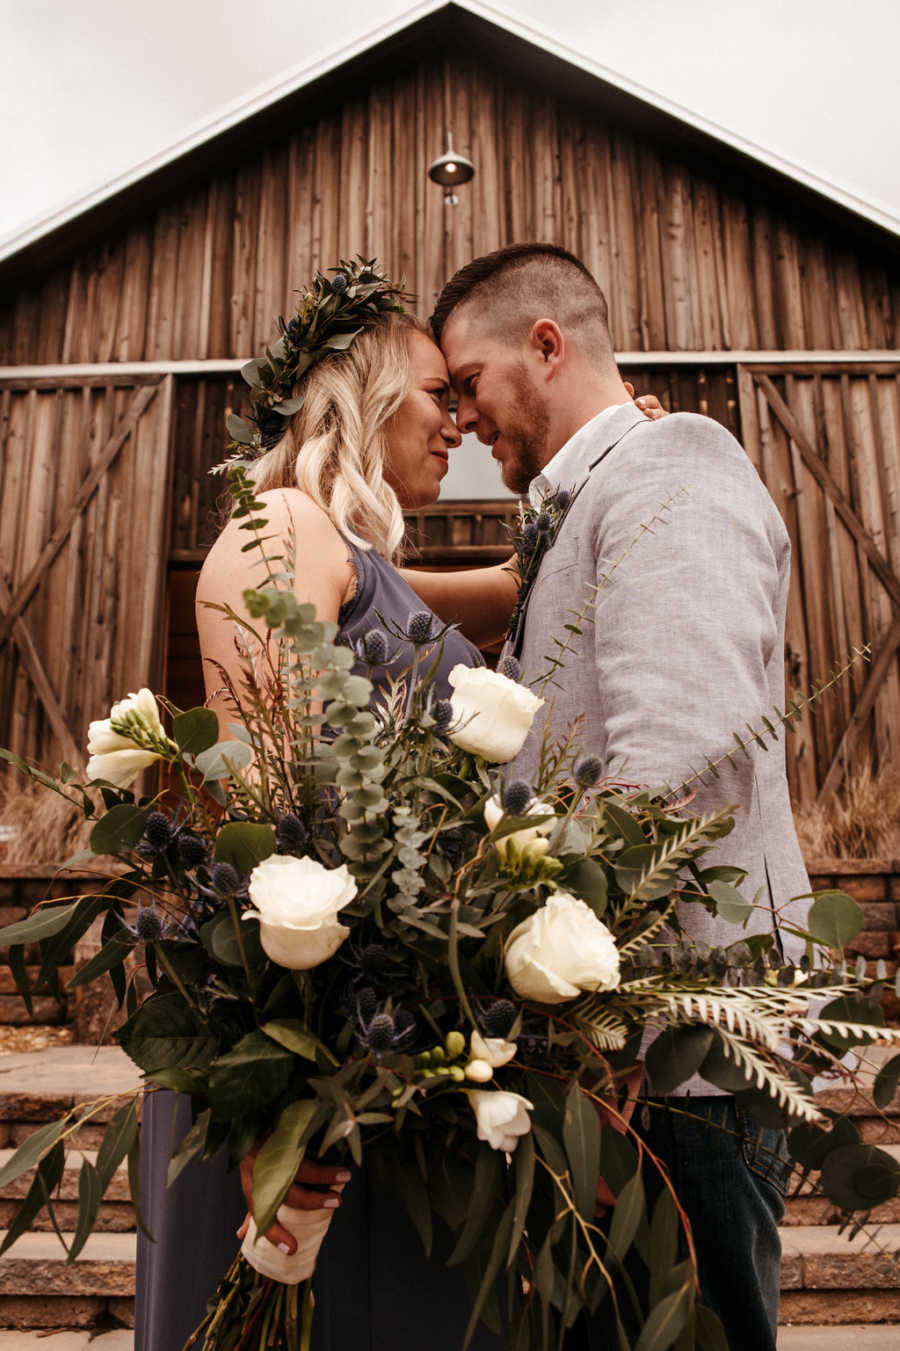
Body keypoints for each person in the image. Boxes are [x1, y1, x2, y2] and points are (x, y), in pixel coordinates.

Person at [136, 281, 662, 1349]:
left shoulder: (354, 557)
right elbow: (269, 813)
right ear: (365, 399)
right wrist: (278, 1100)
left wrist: (618, 450)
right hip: (316, 1051)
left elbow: (517, 583)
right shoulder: (276, 526)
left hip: (391, 1045)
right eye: (438, 392)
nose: (460, 423)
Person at [431, 242, 811, 1351]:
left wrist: (585, 1038)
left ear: (546, 347)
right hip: (613, 1065)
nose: (461, 420)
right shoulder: (580, 505)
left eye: (468, 384)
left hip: (668, 1066)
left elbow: (682, 762)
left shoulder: (673, 464)